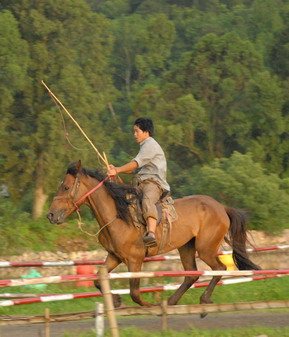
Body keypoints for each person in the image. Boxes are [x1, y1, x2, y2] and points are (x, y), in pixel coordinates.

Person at [107, 117, 170, 247]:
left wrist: (118, 170)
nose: (134, 134)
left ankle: (151, 232)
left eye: (137, 131)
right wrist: (116, 169)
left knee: (147, 200)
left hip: (154, 183)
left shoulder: (150, 145)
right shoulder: (144, 146)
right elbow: (133, 169)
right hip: (140, 183)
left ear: (146, 132)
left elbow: (135, 164)